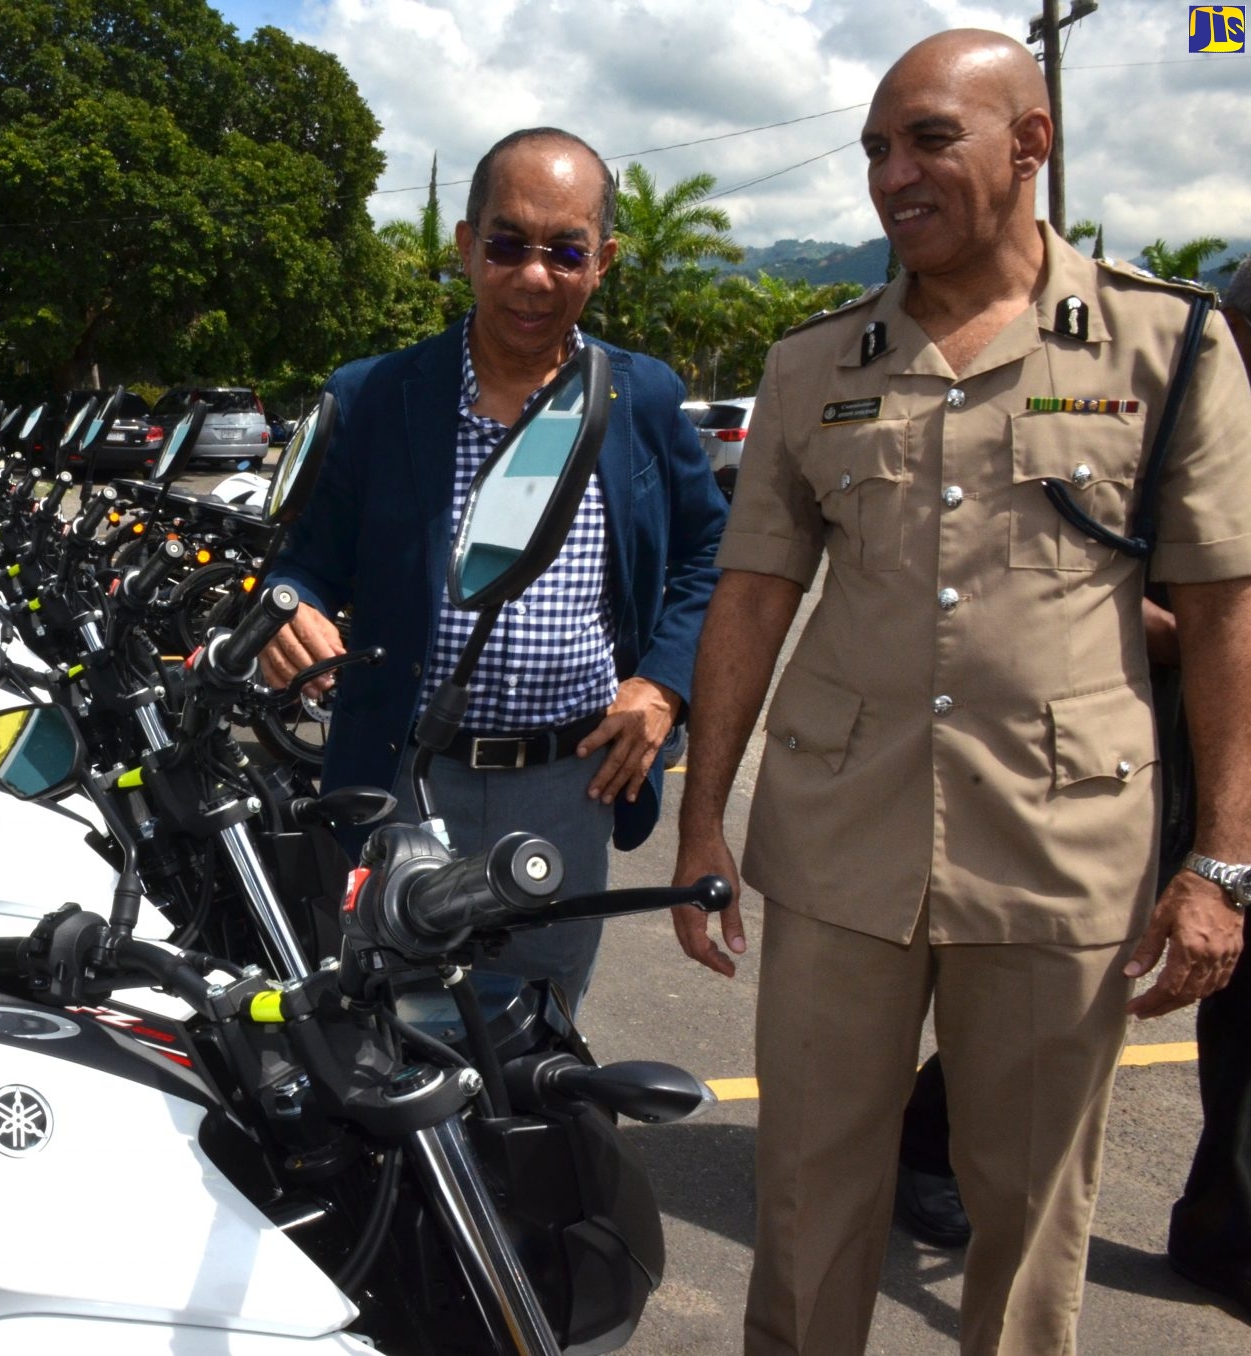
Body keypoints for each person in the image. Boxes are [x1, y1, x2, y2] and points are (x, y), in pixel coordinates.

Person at [669, 30, 1251, 1354]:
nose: (892, 172)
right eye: (878, 146)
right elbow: (752, 596)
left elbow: (1226, 609)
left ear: (1030, 143)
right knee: (810, 1194)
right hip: (837, 843)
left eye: (929, 137)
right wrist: (703, 825)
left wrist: (1223, 862)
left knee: (1031, 1208)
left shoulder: (1168, 345)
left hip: (1060, 853)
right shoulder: (813, 365)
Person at [260, 127, 726, 1013]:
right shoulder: (376, 395)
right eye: (508, 244)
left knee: (540, 1033)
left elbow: (712, 553)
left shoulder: (643, 398)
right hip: (403, 775)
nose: (534, 274)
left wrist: (663, 685)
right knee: (395, 1025)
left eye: (566, 251)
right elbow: (303, 565)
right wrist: (289, 610)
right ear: (467, 246)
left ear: (604, 262)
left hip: (569, 782)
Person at [1168, 254, 1251, 1311]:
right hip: (1163, 743)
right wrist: (1212, 634)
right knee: (1084, 975)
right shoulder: (1176, 424)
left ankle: (1220, 1230)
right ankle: (933, 1135)